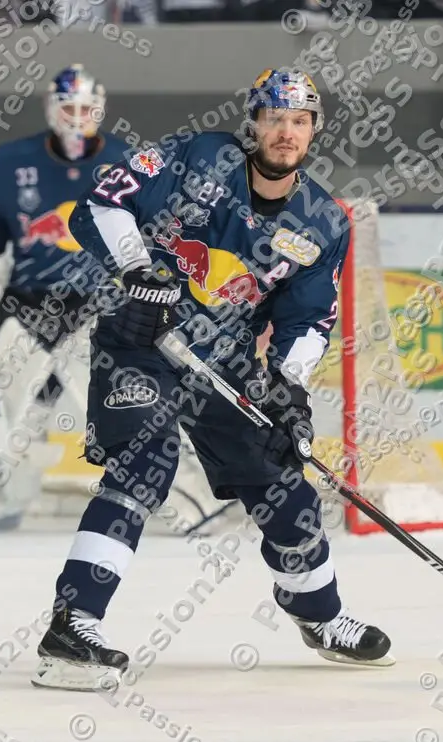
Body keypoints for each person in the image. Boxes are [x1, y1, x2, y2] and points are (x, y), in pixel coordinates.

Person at [31, 69, 394, 691]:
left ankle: (319, 614)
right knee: (146, 462)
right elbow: (101, 203)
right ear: (252, 123)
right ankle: (74, 622)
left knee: (284, 484)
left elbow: (308, 317)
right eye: (275, 119)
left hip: (222, 363)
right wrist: (139, 267)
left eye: (300, 121)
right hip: (141, 341)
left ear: (314, 131)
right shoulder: (195, 158)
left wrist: (288, 384)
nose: (287, 132)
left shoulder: (320, 222)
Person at [0, 64, 231, 535]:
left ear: (100, 109)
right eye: (68, 107)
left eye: (86, 108)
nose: (77, 117)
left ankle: (192, 501)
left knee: (137, 405)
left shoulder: (131, 162)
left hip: (105, 307)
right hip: (28, 306)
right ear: (51, 108)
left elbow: (160, 231)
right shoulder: (9, 162)